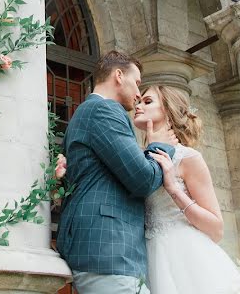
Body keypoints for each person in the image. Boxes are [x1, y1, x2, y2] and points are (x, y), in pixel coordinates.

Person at [56, 51, 177, 294]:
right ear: (119, 76)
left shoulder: (87, 112)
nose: (139, 92)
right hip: (109, 251)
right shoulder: (103, 110)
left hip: (106, 253)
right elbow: (142, 179)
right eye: (137, 82)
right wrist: (161, 146)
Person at [133, 84, 240, 294]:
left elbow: (216, 229)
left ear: (168, 111)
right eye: (139, 101)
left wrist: (173, 189)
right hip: (146, 255)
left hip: (185, 256)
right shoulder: (138, 156)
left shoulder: (188, 158)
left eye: (148, 101)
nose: (138, 105)